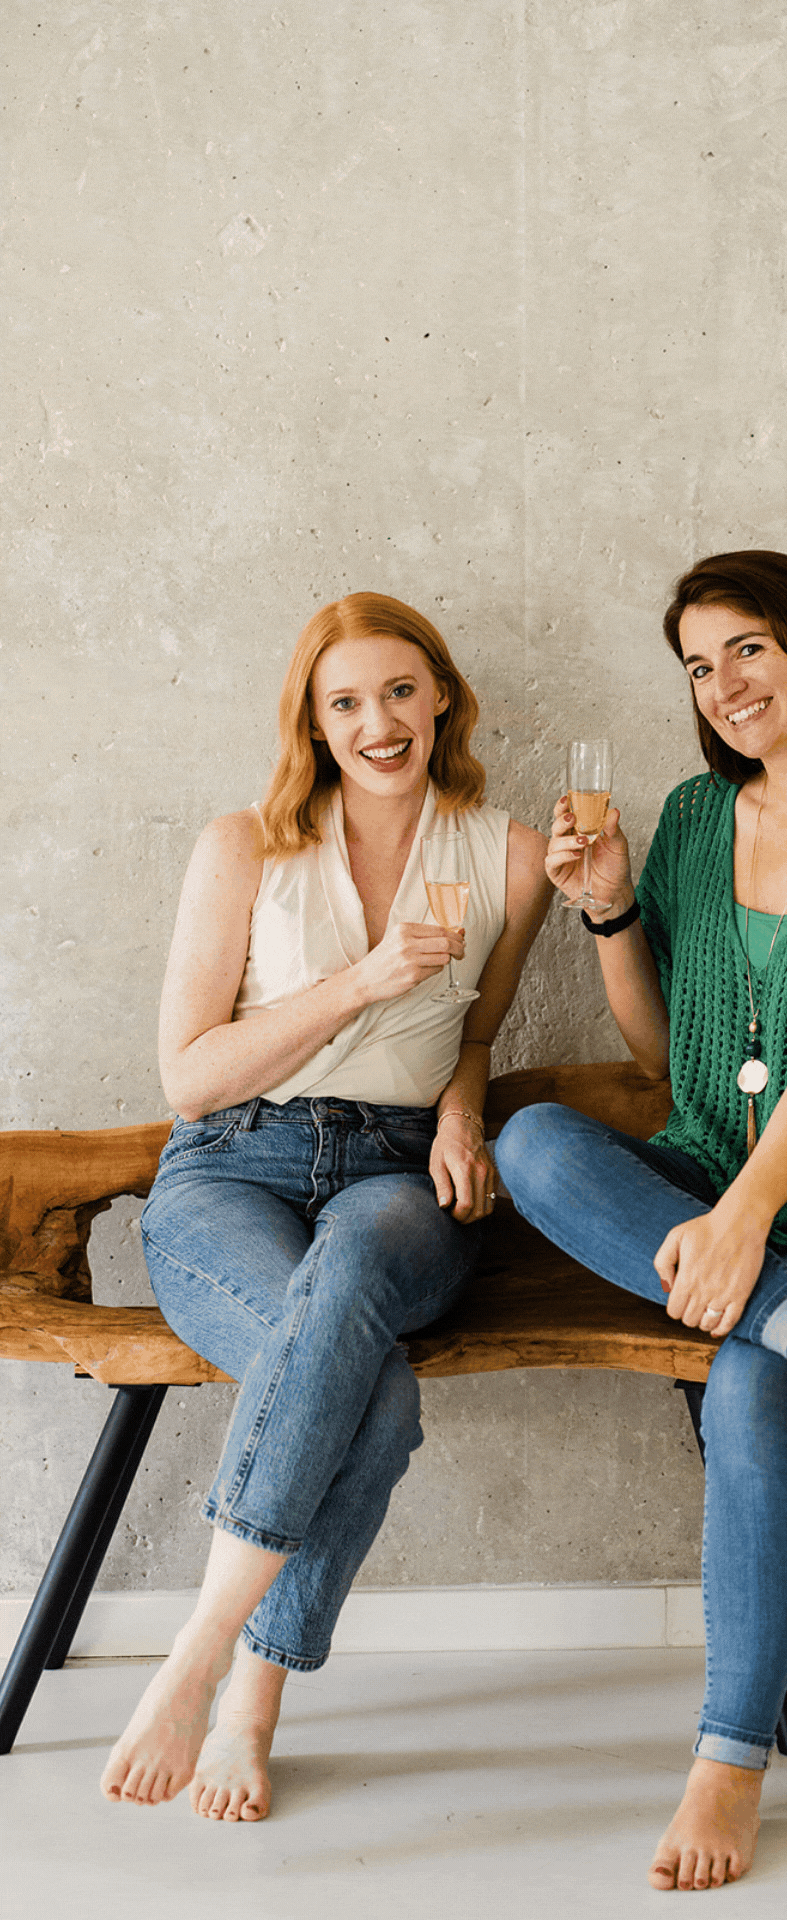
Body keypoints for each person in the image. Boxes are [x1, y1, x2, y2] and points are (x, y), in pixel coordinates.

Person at [493, 551, 787, 1892]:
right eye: (701, 668)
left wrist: (746, 1223)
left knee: (747, 1382)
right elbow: (674, 1055)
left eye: (749, 649)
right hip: (723, 1178)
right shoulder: (698, 821)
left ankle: (727, 1760)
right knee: (532, 1140)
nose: (726, 686)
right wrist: (609, 914)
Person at [100, 591, 550, 1821]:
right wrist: (360, 981)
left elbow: (481, 1027)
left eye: (400, 690)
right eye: (345, 701)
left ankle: (192, 1651)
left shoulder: (508, 856)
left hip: (399, 1174)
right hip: (227, 1165)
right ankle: (245, 1690)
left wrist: (463, 1111)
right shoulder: (243, 844)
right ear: (313, 718)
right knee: (378, 1384)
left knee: (353, 1281)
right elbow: (189, 1075)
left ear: (443, 694)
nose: (379, 722)